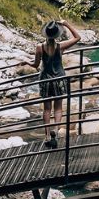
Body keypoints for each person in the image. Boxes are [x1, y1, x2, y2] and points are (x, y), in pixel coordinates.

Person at [31, 19, 81, 148]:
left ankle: (47, 135)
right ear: (56, 34)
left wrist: (26, 63)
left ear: (46, 34)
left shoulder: (39, 47)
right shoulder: (61, 46)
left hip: (45, 80)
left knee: (47, 109)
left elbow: (36, 65)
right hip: (59, 80)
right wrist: (66, 24)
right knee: (58, 108)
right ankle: (56, 131)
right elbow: (78, 37)